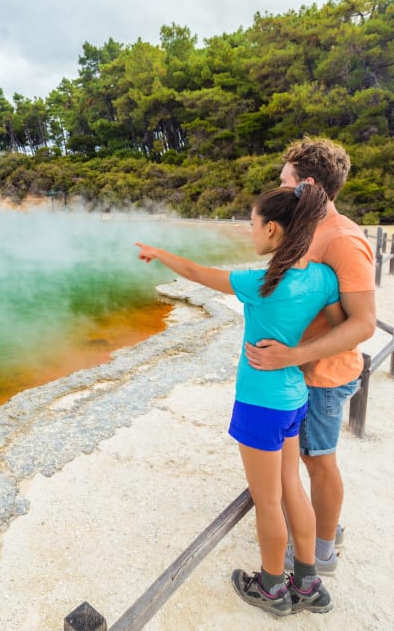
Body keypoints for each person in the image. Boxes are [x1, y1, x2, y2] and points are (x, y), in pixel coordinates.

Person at [137, 183, 340, 616]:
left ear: (271, 229)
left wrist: (157, 252)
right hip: (293, 397)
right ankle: (306, 583)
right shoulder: (322, 278)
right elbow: (336, 325)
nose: (249, 233)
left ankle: (270, 588)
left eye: (251, 225)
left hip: (260, 403)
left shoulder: (262, 283)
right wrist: (298, 353)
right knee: (291, 488)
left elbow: (195, 273)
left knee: (267, 502)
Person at [245, 137, 377, 576]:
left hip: (323, 373)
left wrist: (294, 355)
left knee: (318, 460)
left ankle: (322, 551)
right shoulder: (308, 230)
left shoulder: (341, 240)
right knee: (303, 459)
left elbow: (362, 324)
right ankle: (324, 530)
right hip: (300, 372)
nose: (278, 186)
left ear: (308, 184)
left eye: (284, 181)